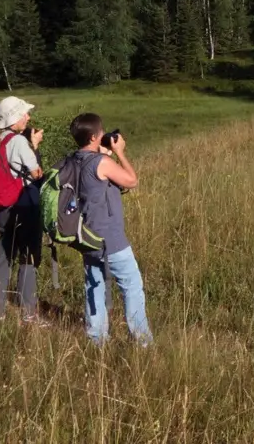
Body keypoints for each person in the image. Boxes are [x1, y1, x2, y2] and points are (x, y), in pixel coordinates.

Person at [69, 113, 152, 346]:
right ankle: (142, 340)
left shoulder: (73, 160)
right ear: (93, 137)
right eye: (101, 132)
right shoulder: (101, 163)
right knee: (131, 285)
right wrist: (119, 152)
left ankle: (97, 339)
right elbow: (131, 181)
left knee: (94, 285)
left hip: (86, 235)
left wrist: (104, 154)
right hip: (110, 238)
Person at [0, 95, 46, 325]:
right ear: (15, 117)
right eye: (24, 114)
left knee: (3, 257)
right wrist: (34, 147)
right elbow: (36, 174)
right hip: (23, 204)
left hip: (3, 206)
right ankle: (28, 313)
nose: (28, 117)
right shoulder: (18, 141)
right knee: (28, 256)